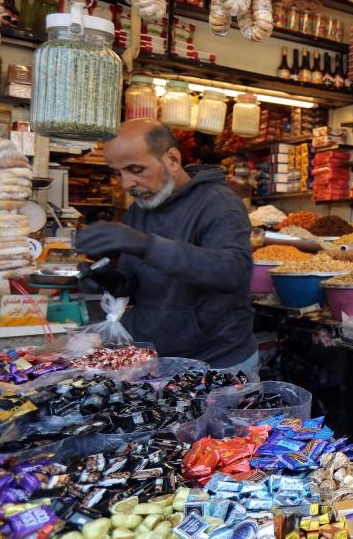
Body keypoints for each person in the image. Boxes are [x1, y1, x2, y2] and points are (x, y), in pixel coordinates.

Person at [74, 119, 258, 373]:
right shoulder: (139, 211)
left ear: (172, 159)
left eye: (136, 169)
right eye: (118, 173)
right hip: (154, 358)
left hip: (216, 365)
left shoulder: (219, 205)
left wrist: (146, 245)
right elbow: (136, 282)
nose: (126, 184)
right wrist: (112, 281)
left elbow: (233, 271)